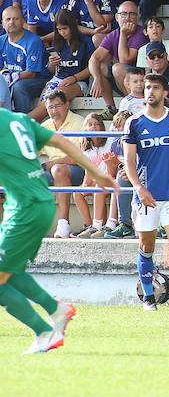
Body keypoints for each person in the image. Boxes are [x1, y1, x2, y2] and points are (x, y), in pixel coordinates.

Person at [0, 102, 116, 352]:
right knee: (9, 271)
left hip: (26, 209)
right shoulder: (20, 120)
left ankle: (43, 331)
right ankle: (57, 310)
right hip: (34, 204)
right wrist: (96, 171)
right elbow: (63, 142)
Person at [122, 73, 169, 311]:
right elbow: (129, 162)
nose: (150, 92)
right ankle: (148, 297)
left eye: (155, 87)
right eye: (146, 88)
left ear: (165, 92)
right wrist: (138, 187)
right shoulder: (134, 122)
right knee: (146, 247)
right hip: (147, 195)